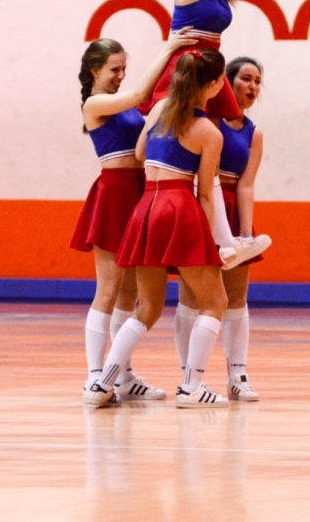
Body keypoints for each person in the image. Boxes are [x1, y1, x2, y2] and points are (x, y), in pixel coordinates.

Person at [139, 0, 275, 269]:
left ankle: (226, 241)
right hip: (185, 70)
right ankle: (217, 238)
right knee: (184, 148)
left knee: (212, 150)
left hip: (208, 71)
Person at [84, 49, 230, 409]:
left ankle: (102, 382)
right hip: (179, 206)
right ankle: (191, 386)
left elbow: (139, 153)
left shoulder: (159, 110)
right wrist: (211, 241)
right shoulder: (209, 132)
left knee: (146, 308)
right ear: (213, 86)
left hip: (146, 206)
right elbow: (206, 192)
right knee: (216, 301)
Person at [72, 33, 197, 403]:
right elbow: (143, 93)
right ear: (95, 70)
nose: (120, 76)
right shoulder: (95, 104)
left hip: (139, 193)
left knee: (129, 292)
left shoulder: (124, 106)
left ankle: (123, 376)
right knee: (108, 289)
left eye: (124, 69)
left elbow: (152, 101)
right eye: (114, 69)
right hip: (113, 194)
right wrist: (170, 48)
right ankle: (94, 375)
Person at [175, 56, 267, 402]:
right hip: (201, 206)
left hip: (231, 209)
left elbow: (246, 185)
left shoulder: (254, 132)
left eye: (258, 81)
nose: (253, 86)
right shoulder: (207, 121)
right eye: (246, 79)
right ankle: (189, 375)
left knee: (236, 298)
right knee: (191, 297)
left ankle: (237, 375)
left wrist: (245, 234)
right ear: (227, 84)